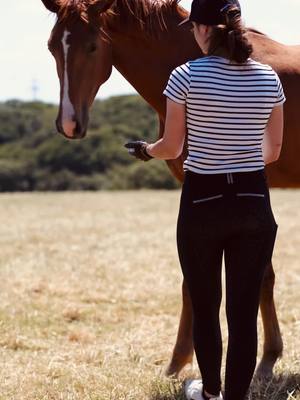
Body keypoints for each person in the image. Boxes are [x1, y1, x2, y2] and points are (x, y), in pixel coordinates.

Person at [125, 0, 285, 398]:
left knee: (206, 304)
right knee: (244, 313)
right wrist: (240, 151)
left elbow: (172, 146)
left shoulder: (184, 76)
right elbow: (272, 151)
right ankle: (236, 396)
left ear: (200, 28)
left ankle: (210, 392)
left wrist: (146, 149)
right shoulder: (268, 78)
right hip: (252, 199)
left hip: (203, 201)